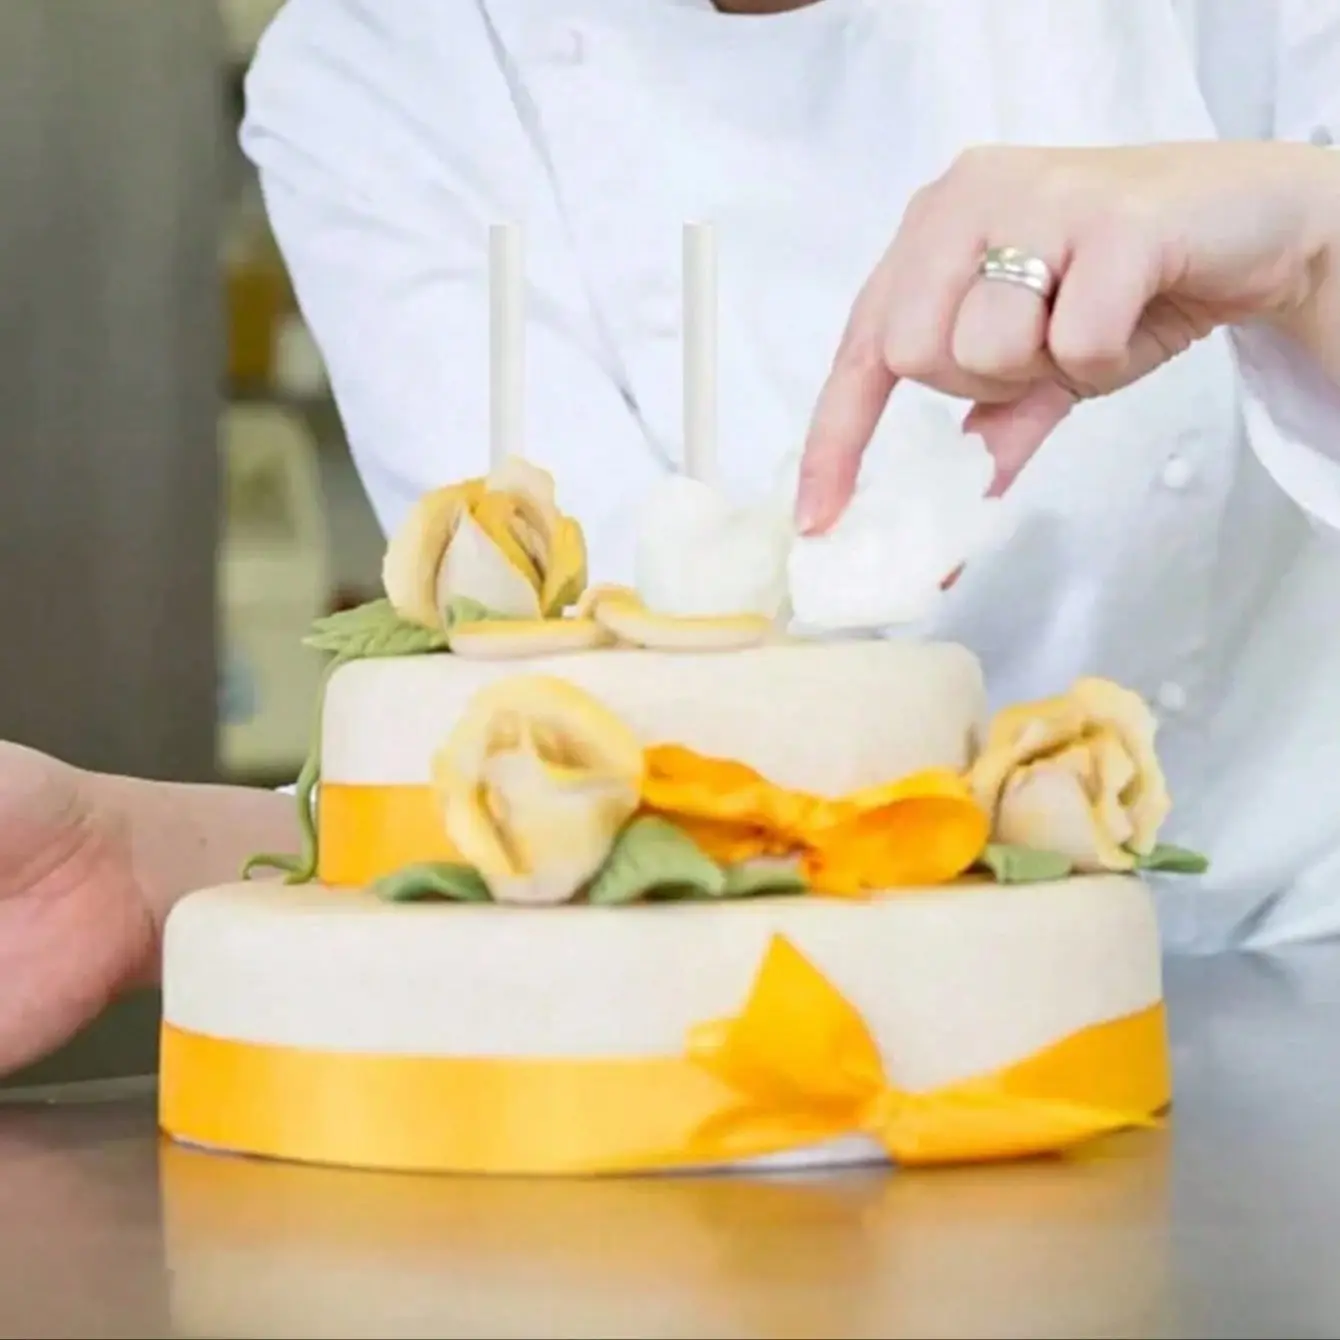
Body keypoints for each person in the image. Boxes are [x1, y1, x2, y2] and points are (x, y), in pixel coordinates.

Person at [2, 0, 1339, 1077]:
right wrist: (142, 862)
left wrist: (1308, 246)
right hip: (785, 1064)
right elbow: (608, 762)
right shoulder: (386, 66)